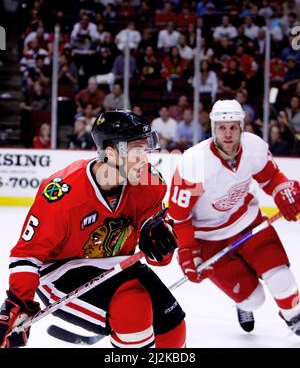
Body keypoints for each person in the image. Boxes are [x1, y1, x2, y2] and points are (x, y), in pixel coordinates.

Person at [0, 110, 186, 348]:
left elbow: (158, 254)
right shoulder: (62, 193)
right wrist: (19, 301)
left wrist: (158, 238)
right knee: (134, 312)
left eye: (145, 150)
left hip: (119, 262)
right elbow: (28, 254)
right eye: (136, 151)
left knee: (173, 329)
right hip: (64, 270)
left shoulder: (150, 182)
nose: (145, 160)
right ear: (111, 153)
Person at [168, 99, 300, 335]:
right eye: (222, 127)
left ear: (241, 126)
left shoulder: (254, 147)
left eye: (233, 127)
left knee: (281, 278)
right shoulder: (194, 162)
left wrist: (283, 190)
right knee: (254, 300)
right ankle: (243, 304)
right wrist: (189, 251)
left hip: (248, 223)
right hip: (208, 238)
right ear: (213, 128)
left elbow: (271, 178)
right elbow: (180, 216)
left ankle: (295, 318)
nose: (228, 133)